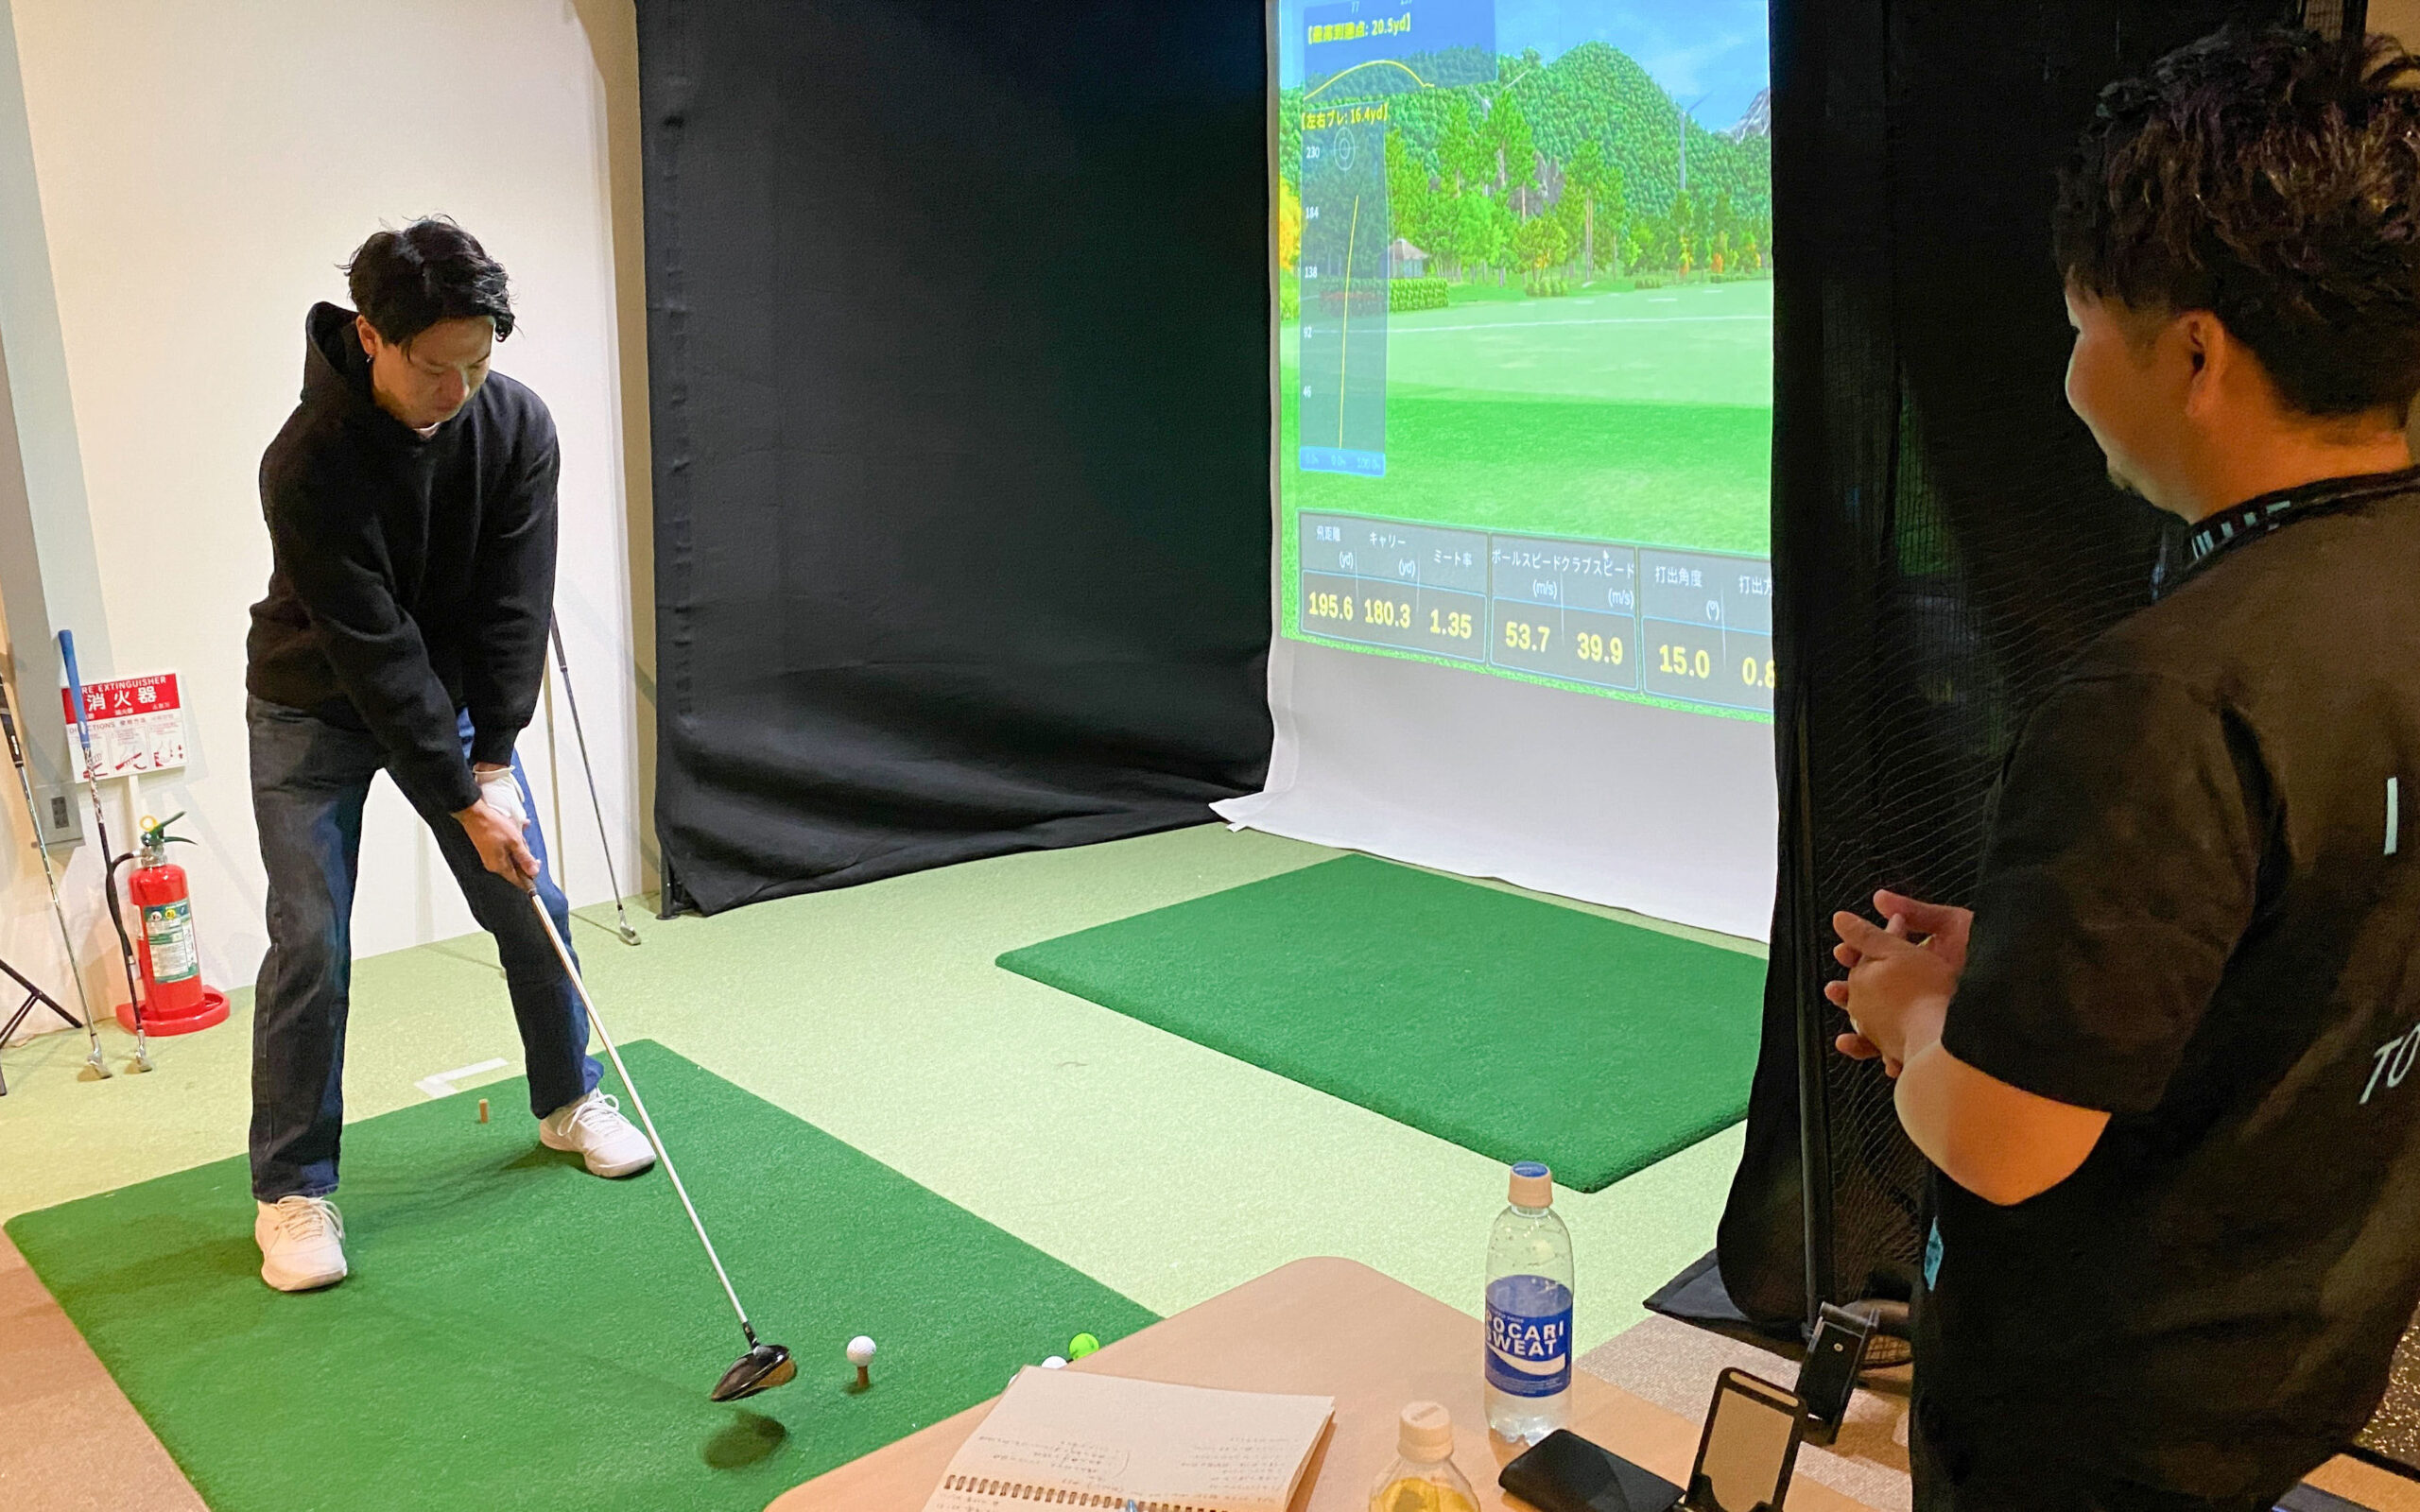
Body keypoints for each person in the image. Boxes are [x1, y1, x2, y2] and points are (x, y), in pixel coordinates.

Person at [1827, 26, 2420, 1510]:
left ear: (2196, 354)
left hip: (2100, 1424)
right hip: (2303, 1339)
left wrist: (1913, 1017)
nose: (2073, 371)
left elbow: (2002, 1145)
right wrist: (2030, 964)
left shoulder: (2164, 695)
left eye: (2084, 322)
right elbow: (2309, 934)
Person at [244, 218, 650, 1293]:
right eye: (435, 367)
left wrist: (495, 763)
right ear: (371, 336)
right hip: (313, 705)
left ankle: (568, 1099)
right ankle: (292, 1189)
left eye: (477, 363)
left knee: (530, 896)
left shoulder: (514, 425)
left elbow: (516, 604)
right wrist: (460, 791)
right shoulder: (306, 462)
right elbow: (373, 651)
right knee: (312, 938)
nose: (457, 390)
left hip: (455, 702)